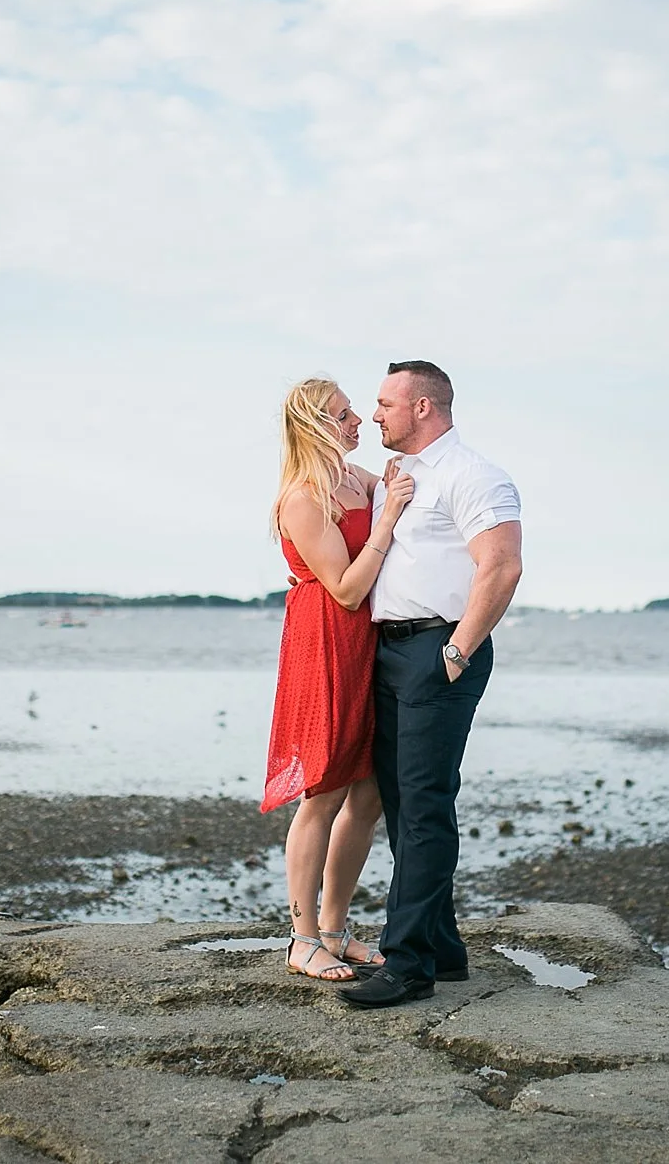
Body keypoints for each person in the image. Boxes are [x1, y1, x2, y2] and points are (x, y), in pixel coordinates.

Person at [339, 360, 523, 1008]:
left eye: (386, 403)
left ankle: (409, 963)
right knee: (402, 803)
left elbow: (500, 566)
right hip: (391, 651)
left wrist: (456, 649)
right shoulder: (405, 476)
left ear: (423, 407)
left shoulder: (474, 475)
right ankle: (442, 949)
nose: (377, 414)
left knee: (423, 808)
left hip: (436, 650)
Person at [265, 377, 415, 981]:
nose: (359, 422)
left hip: (367, 645)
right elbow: (348, 589)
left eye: (356, 411)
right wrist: (388, 520)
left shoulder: (359, 480)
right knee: (322, 792)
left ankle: (334, 928)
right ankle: (302, 941)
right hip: (325, 642)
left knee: (370, 793)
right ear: (314, 424)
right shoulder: (303, 497)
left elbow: (411, 489)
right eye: (344, 414)